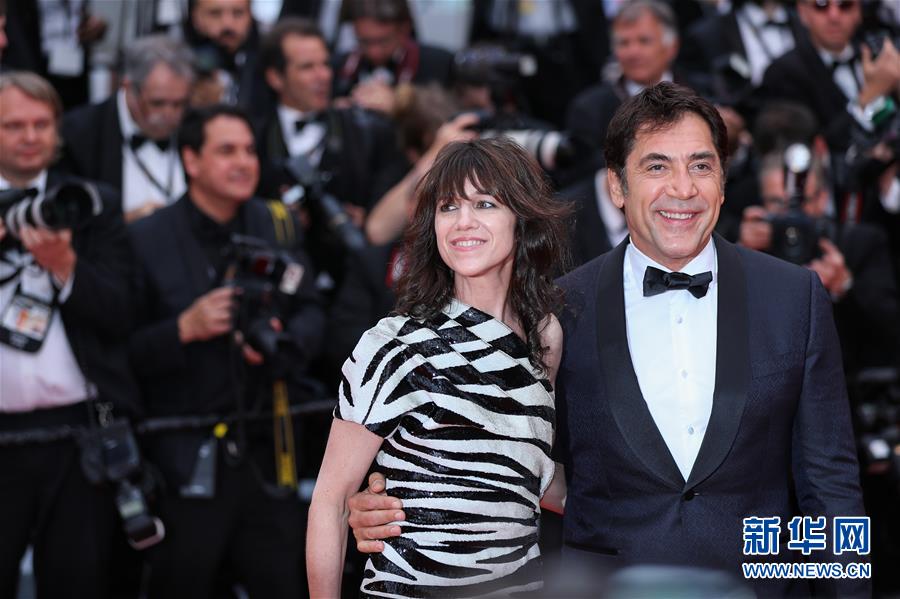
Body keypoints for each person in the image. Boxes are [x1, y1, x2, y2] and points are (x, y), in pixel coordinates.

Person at [346, 82, 868, 597]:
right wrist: (392, 502)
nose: (683, 188)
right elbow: (492, 456)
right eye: (657, 167)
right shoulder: (554, 313)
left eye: (701, 166)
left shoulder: (794, 296)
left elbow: (832, 486)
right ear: (617, 187)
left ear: (724, 181)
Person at [306, 137, 570, 597]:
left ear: (521, 218)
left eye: (484, 204)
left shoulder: (545, 337)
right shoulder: (394, 344)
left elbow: (523, 473)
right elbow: (330, 503)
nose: (463, 221)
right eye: (448, 207)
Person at [128, 104, 325, 598]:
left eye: (250, 151)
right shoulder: (146, 239)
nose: (243, 163)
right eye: (227, 151)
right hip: (183, 460)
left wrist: (281, 341)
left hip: (269, 450)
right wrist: (183, 329)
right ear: (191, 160)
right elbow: (118, 354)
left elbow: (313, 312)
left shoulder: (277, 223)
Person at [0, 71, 140, 599]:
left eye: (42, 124)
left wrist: (64, 265)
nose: (30, 136)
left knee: (77, 579)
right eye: (14, 125)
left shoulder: (90, 203)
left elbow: (124, 312)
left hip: (77, 433)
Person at [60, 35, 195, 223]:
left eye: (180, 104)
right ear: (127, 87)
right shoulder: (80, 132)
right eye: (157, 103)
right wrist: (126, 223)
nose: (170, 114)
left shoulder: (196, 125)